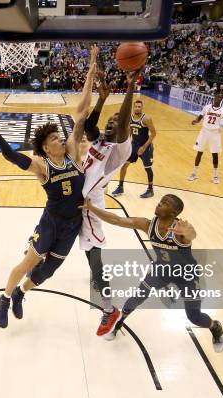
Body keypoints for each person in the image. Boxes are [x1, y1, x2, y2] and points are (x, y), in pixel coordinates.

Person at [0, 48, 98, 328]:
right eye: (55, 138)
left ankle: (20, 293)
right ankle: (4, 298)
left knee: (47, 273)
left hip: (73, 223)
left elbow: (82, 112)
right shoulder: (42, 167)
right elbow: (13, 157)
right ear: (45, 146)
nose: (61, 139)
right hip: (51, 222)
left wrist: (90, 72)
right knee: (29, 262)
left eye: (59, 136)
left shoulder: (74, 154)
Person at [82, 196, 223, 352]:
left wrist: (189, 232)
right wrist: (92, 208)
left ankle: (215, 327)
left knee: (194, 317)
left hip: (186, 275)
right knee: (135, 299)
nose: (160, 203)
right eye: (161, 201)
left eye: (165, 204)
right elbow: (117, 220)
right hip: (161, 270)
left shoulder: (180, 231)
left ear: (174, 212)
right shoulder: (147, 224)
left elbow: (191, 235)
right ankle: (118, 324)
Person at [78, 70, 139, 335]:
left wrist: (129, 88)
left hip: (91, 205)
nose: (112, 123)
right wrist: (102, 101)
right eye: (110, 120)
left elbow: (124, 122)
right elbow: (91, 128)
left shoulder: (121, 148)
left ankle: (108, 307)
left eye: (117, 121)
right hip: (80, 198)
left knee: (95, 259)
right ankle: (38, 247)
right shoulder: (102, 139)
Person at [111, 99, 157, 198]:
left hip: (145, 146)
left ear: (142, 108)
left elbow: (153, 134)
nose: (137, 108)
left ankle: (150, 189)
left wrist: (144, 147)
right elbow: (131, 131)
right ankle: (120, 186)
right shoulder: (130, 118)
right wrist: (129, 143)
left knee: (148, 168)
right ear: (133, 107)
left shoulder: (147, 119)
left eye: (139, 107)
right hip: (134, 145)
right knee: (124, 165)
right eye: (136, 106)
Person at [187, 95, 223, 184]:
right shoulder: (207, 107)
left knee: (215, 154)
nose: (218, 99)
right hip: (204, 132)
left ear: (221, 99)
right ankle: (194, 174)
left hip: (215, 133)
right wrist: (196, 121)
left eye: (220, 98)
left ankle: (215, 176)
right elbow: (200, 116)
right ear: (214, 98)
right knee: (199, 152)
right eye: (217, 97)